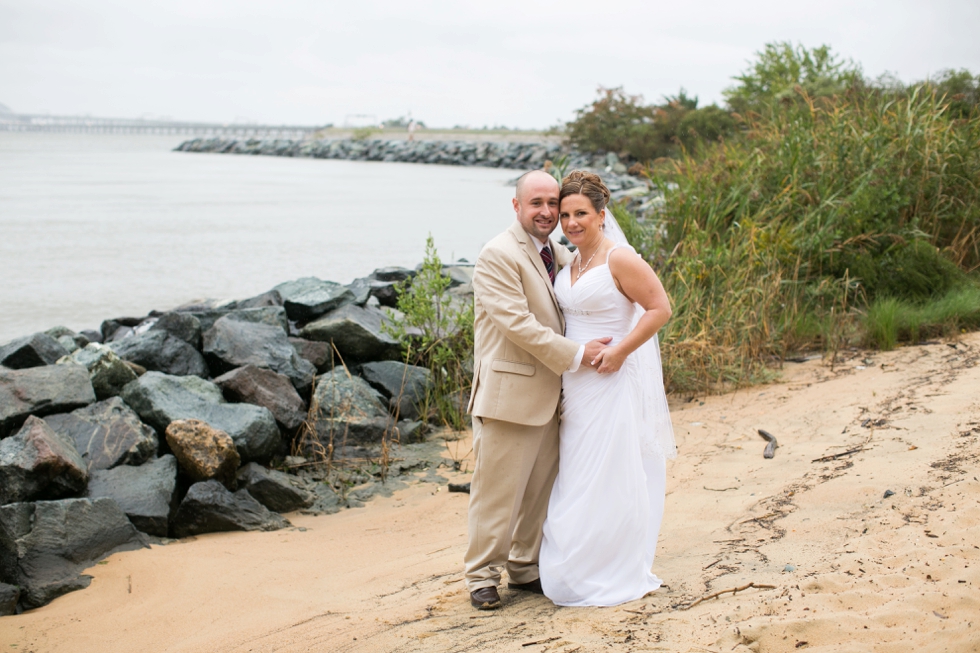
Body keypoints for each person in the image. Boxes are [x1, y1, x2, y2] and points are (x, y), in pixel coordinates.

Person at [465, 169, 612, 610]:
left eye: (554, 203)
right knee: (497, 492)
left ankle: (525, 567)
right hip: (511, 394)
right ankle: (482, 576)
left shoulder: (556, 253)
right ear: (517, 206)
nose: (547, 212)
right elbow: (519, 326)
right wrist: (578, 355)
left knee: (540, 491)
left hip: (555, 395)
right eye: (537, 204)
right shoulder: (498, 255)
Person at [539, 170, 676, 607]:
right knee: (578, 471)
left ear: (601, 215)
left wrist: (620, 352)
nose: (571, 222)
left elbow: (660, 308)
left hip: (612, 379)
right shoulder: (570, 260)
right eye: (564, 214)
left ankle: (613, 567)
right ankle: (575, 566)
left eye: (580, 213)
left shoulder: (620, 259)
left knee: (612, 470)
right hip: (576, 381)